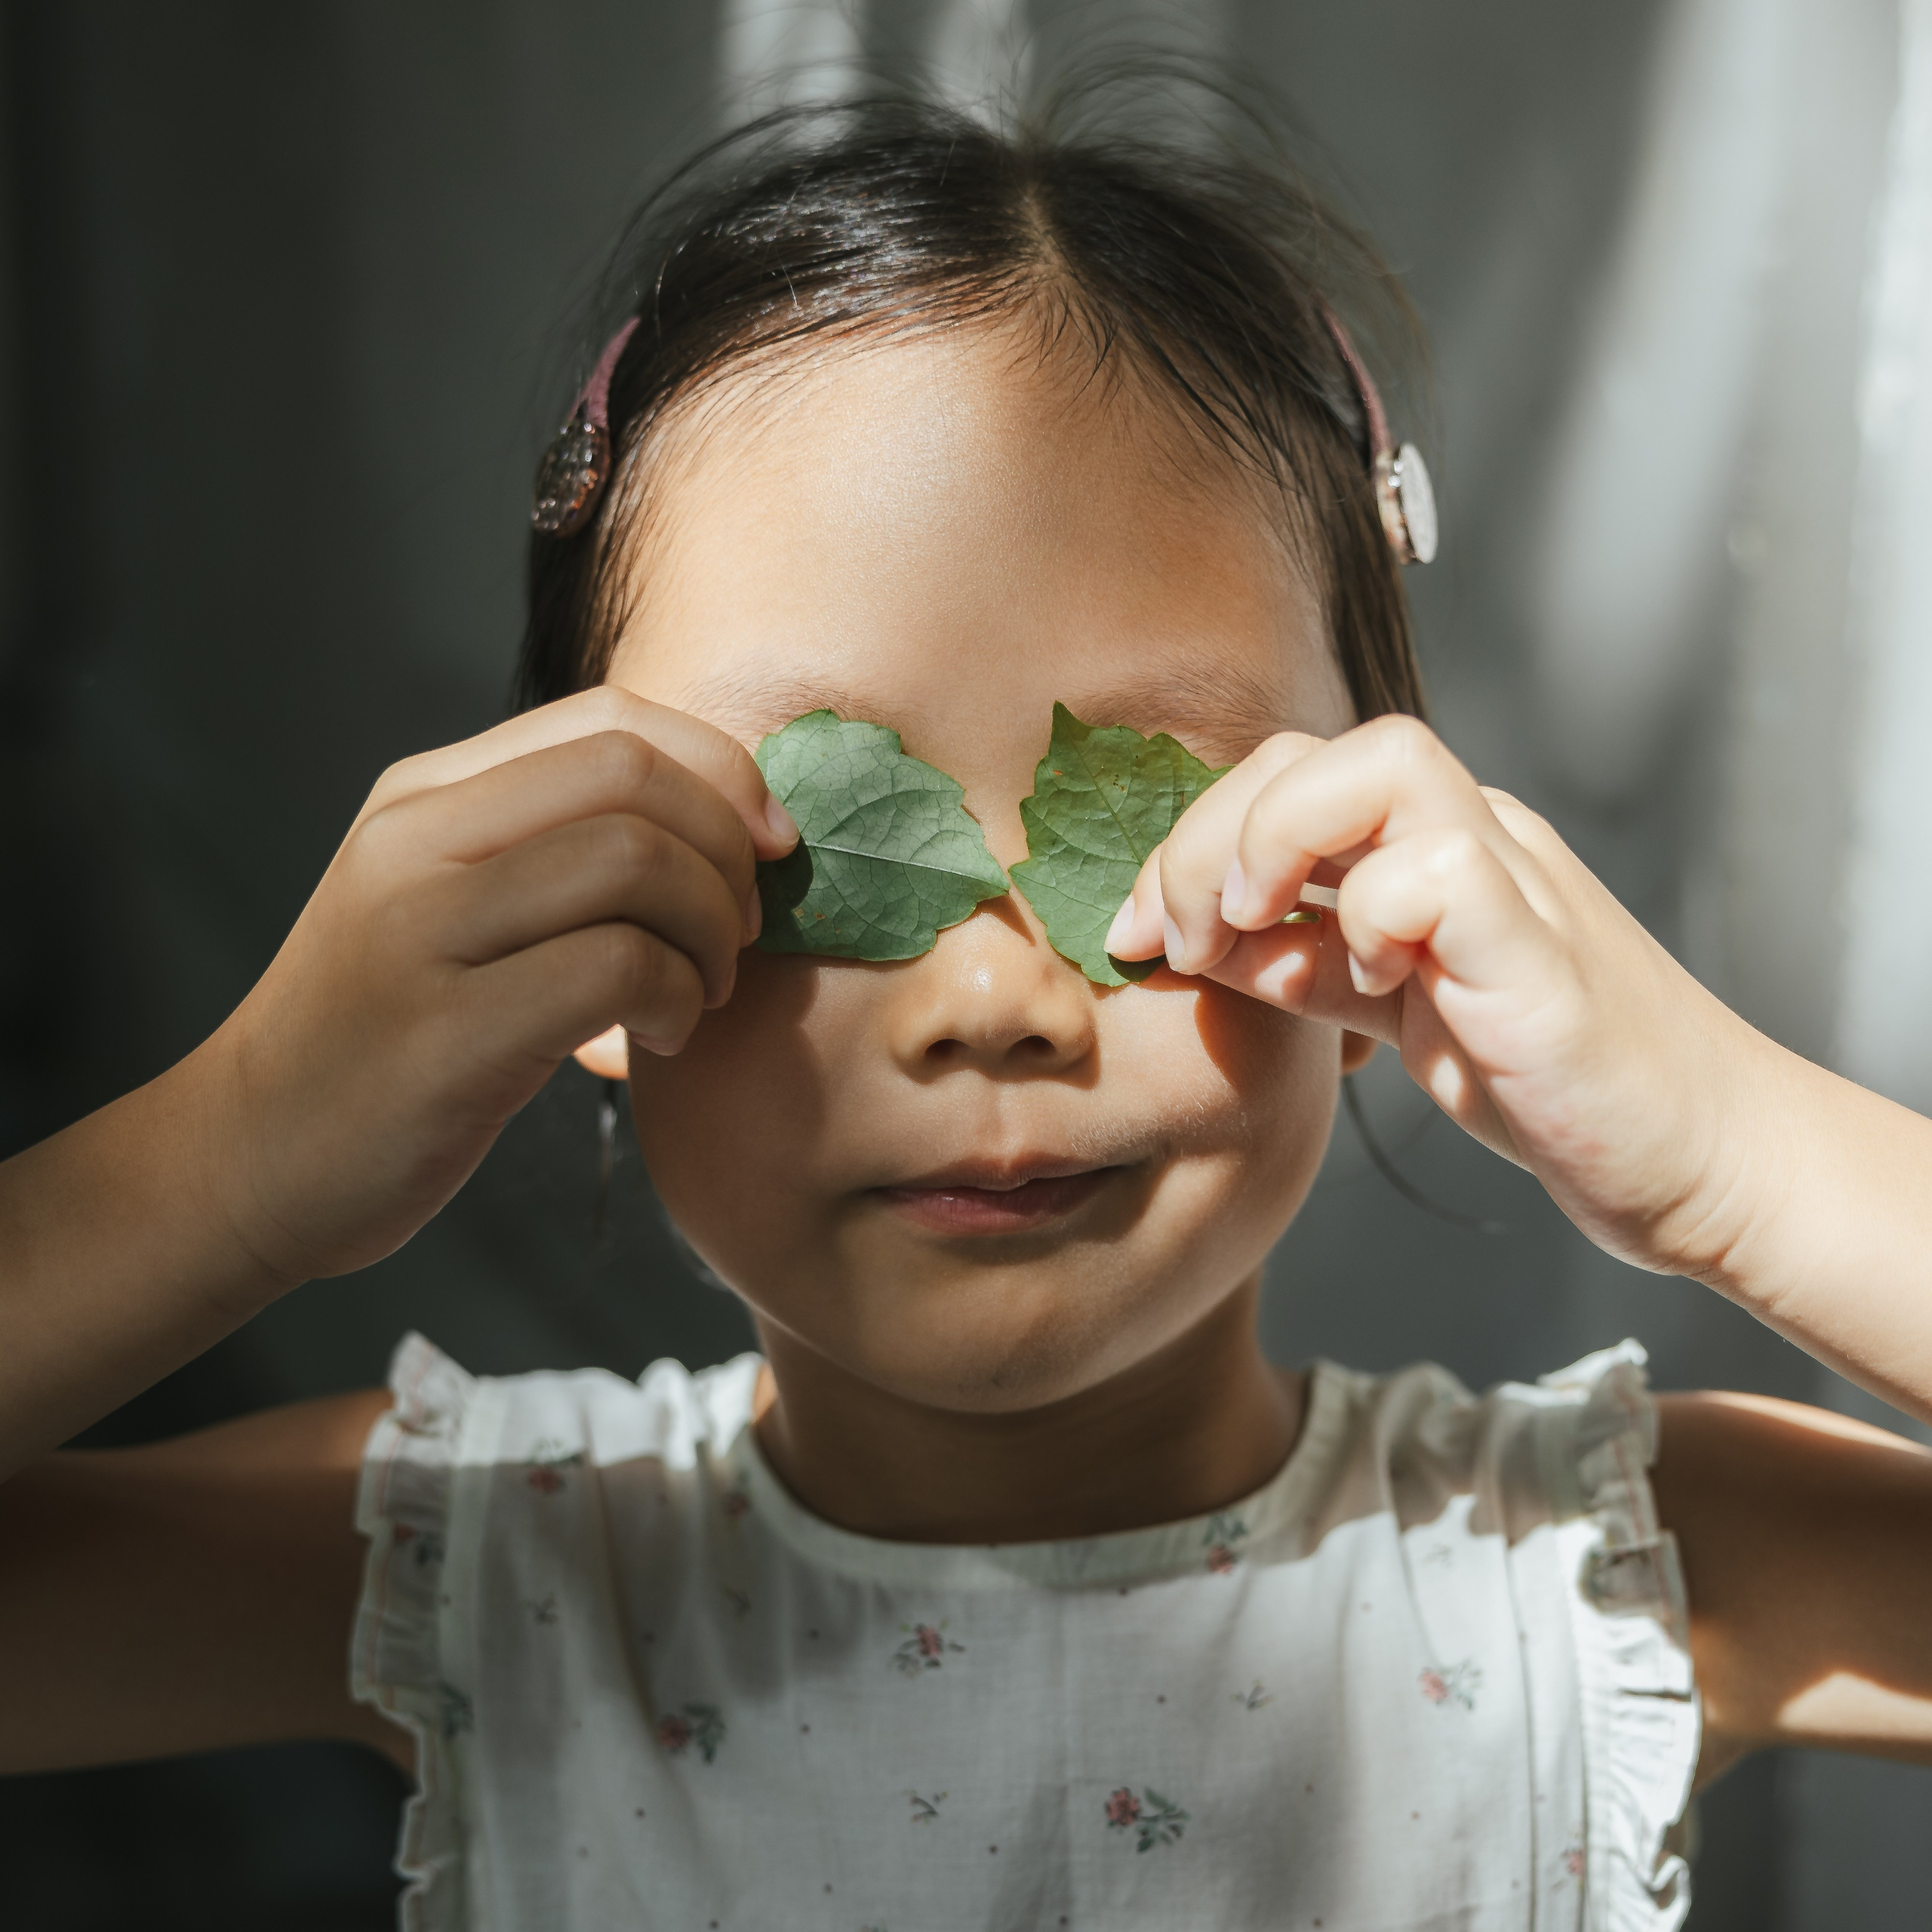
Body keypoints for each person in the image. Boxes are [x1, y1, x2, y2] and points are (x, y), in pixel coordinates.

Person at [4, 91, 1931, 1930]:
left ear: (1382, 869)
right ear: (565, 921)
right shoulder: (491, 1554)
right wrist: (238, 1153)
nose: (997, 996)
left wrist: (1730, 1161)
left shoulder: (1603, 1566)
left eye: (1154, 815)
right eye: (816, 832)